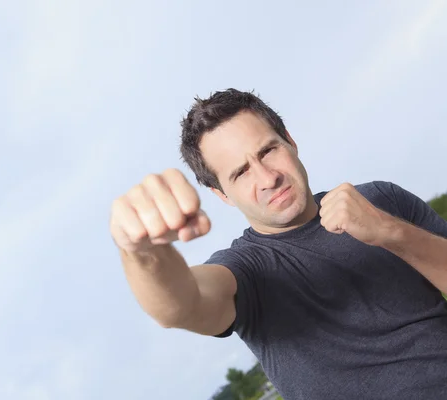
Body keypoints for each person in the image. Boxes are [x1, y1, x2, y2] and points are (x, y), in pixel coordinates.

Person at [109, 88, 447, 400]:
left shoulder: (379, 198)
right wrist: (140, 251)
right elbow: (181, 306)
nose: (267, 178)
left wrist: (392, 232)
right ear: (222, 194)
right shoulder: (245, 269)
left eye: (268, 151)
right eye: (241, 173)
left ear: (289, 141)